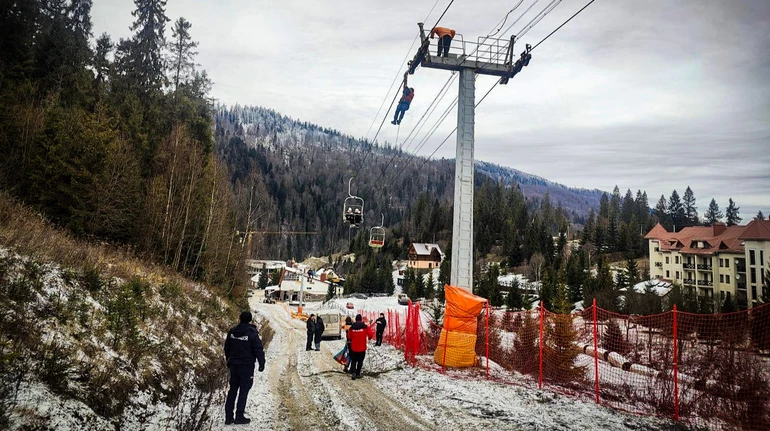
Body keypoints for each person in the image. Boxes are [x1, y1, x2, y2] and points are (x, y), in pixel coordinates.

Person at [224, 311, 265, 425]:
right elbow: (258, 349)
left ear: (240, 318)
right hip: (246, 367)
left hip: (234, 366)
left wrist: (229, 359)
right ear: (250, 320)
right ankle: (239, 416)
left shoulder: (232, 331)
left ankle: (228, 417)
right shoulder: (252, 333)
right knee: (244, 390)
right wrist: (261, 363)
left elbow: (227, 347)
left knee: (232, 390)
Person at [346, 314, 375, 380]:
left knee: (354, 360)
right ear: (361, 319)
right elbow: (370, 335)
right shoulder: (365, 326)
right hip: (362, 348)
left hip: (354, 348)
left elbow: (349, 337)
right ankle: (358, 373)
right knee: (360, 361)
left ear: (355, 319)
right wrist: (368, 337)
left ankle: (353, 372)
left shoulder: (352, 327)